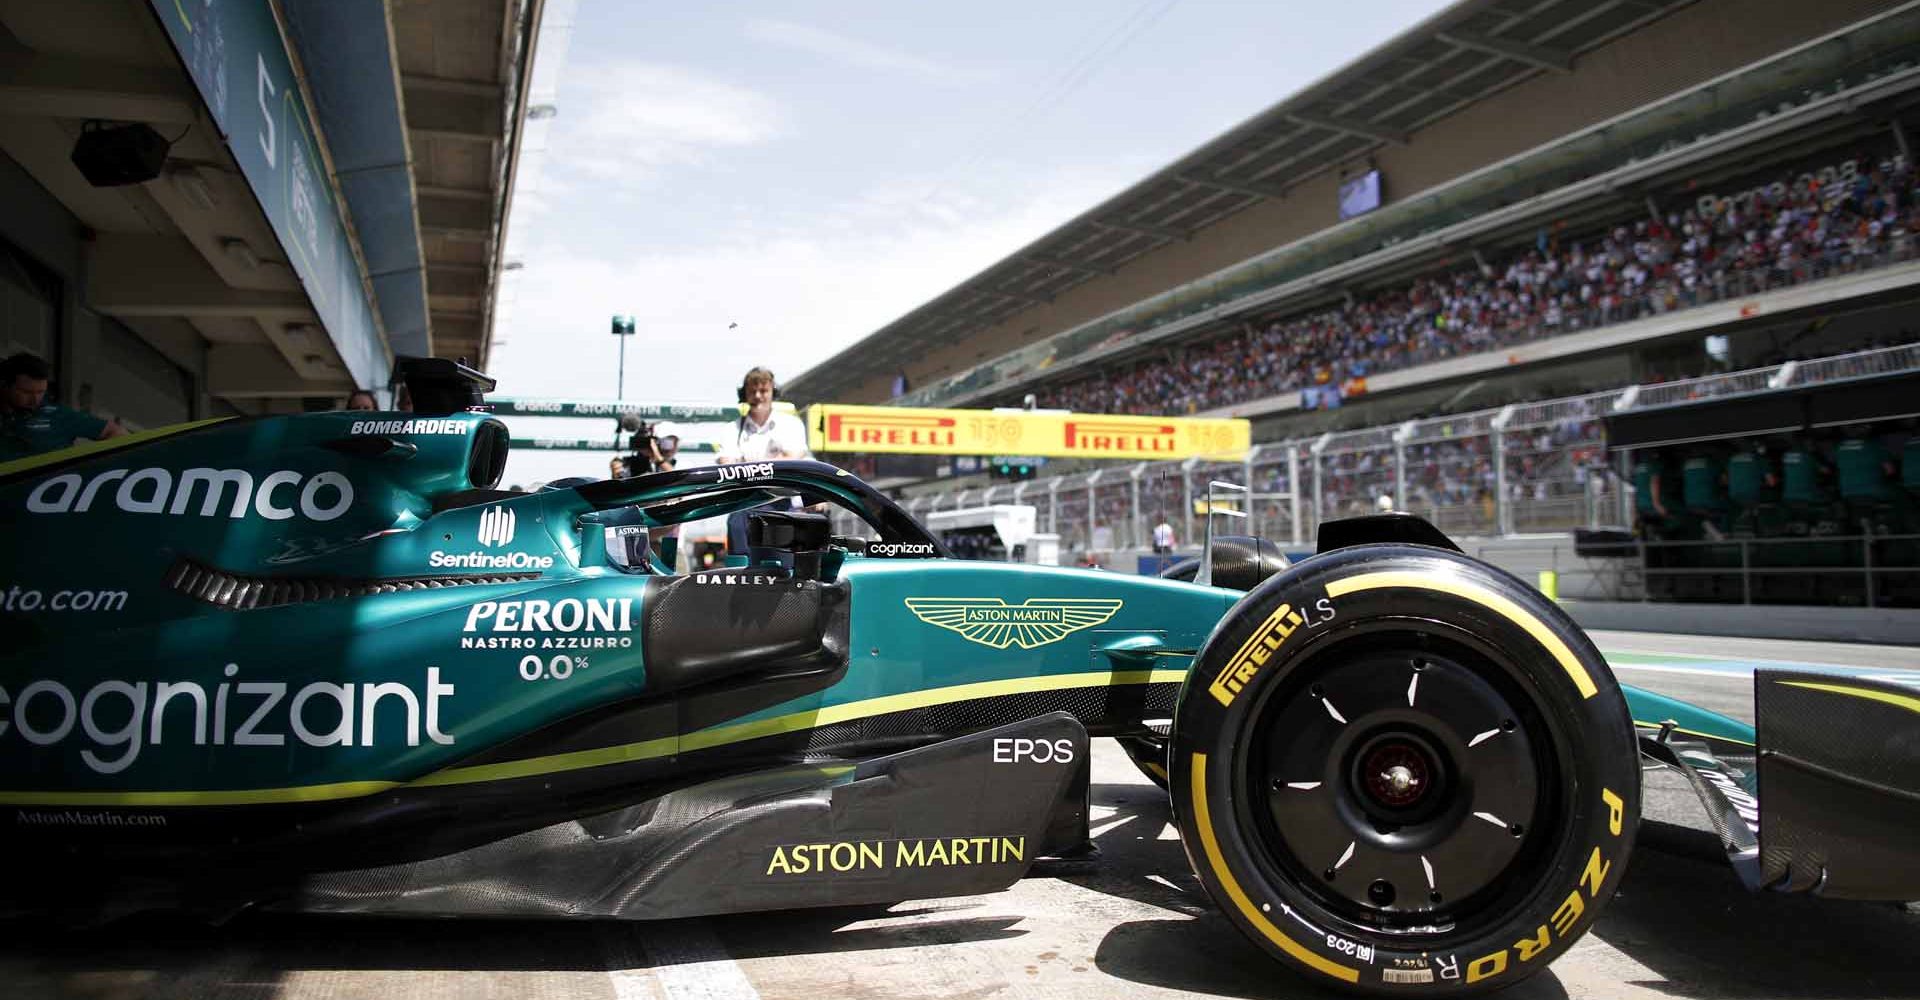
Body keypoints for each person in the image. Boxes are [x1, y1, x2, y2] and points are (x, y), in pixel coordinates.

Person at [718, 366, 812, 557]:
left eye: (763, 391)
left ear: (773, 393)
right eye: (752, 391)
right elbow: (726, 464)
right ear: (744, 394)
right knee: (741, 571)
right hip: (742, 506)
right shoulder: (731, 429)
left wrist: (749, 464)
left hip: (781, 504)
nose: (758, 396)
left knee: (784, 572)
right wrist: (775, 460)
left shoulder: (790, 424)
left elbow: (795, 457)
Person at [1, 352, 125, 460]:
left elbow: (116, 432)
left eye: (41, 392)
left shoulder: (57, 414)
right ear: (5, 385)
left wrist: (91, 465)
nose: (35, 399)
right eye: (26, 392)